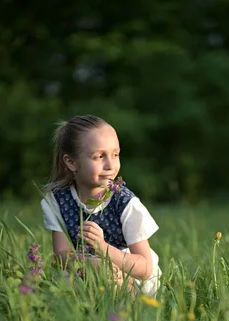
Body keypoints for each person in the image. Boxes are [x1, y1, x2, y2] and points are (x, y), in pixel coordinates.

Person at [40, 114, 161, 296]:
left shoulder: (125, 203)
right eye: (99, 156)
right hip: (86, 268)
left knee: (111, 275)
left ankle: (134, 313)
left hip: (130, 272)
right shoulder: (58, 201)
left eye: (115, 154)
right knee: (60, 286)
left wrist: (103, 249)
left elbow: (145, 269)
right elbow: (61, 256)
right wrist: (91, 263)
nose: (110, 165)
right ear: (71, 162)